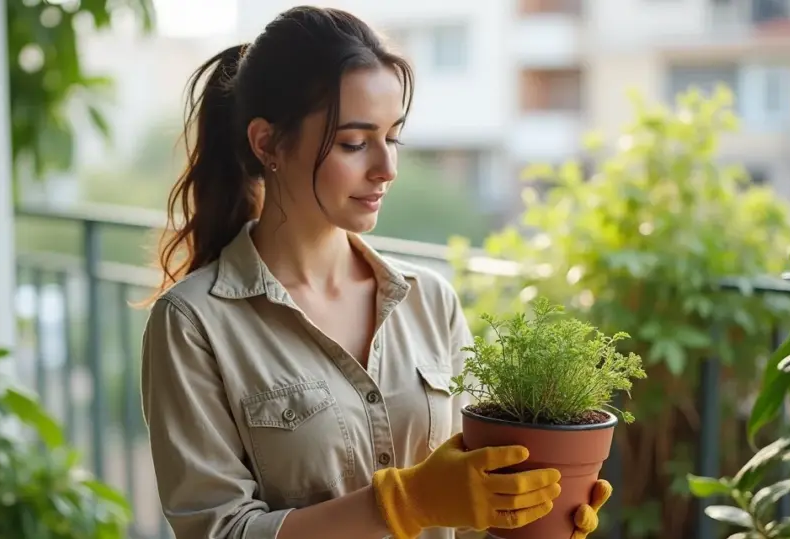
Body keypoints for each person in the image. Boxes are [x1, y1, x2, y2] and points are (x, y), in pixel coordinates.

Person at [139, 5, 612, 539]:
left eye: (393, 137)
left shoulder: (430, 302)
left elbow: (472, 496)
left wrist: (535, 510)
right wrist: (403, 504)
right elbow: (218, 532)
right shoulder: (193, 324)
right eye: (354, 143)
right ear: (267, 143)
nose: (386, 168)